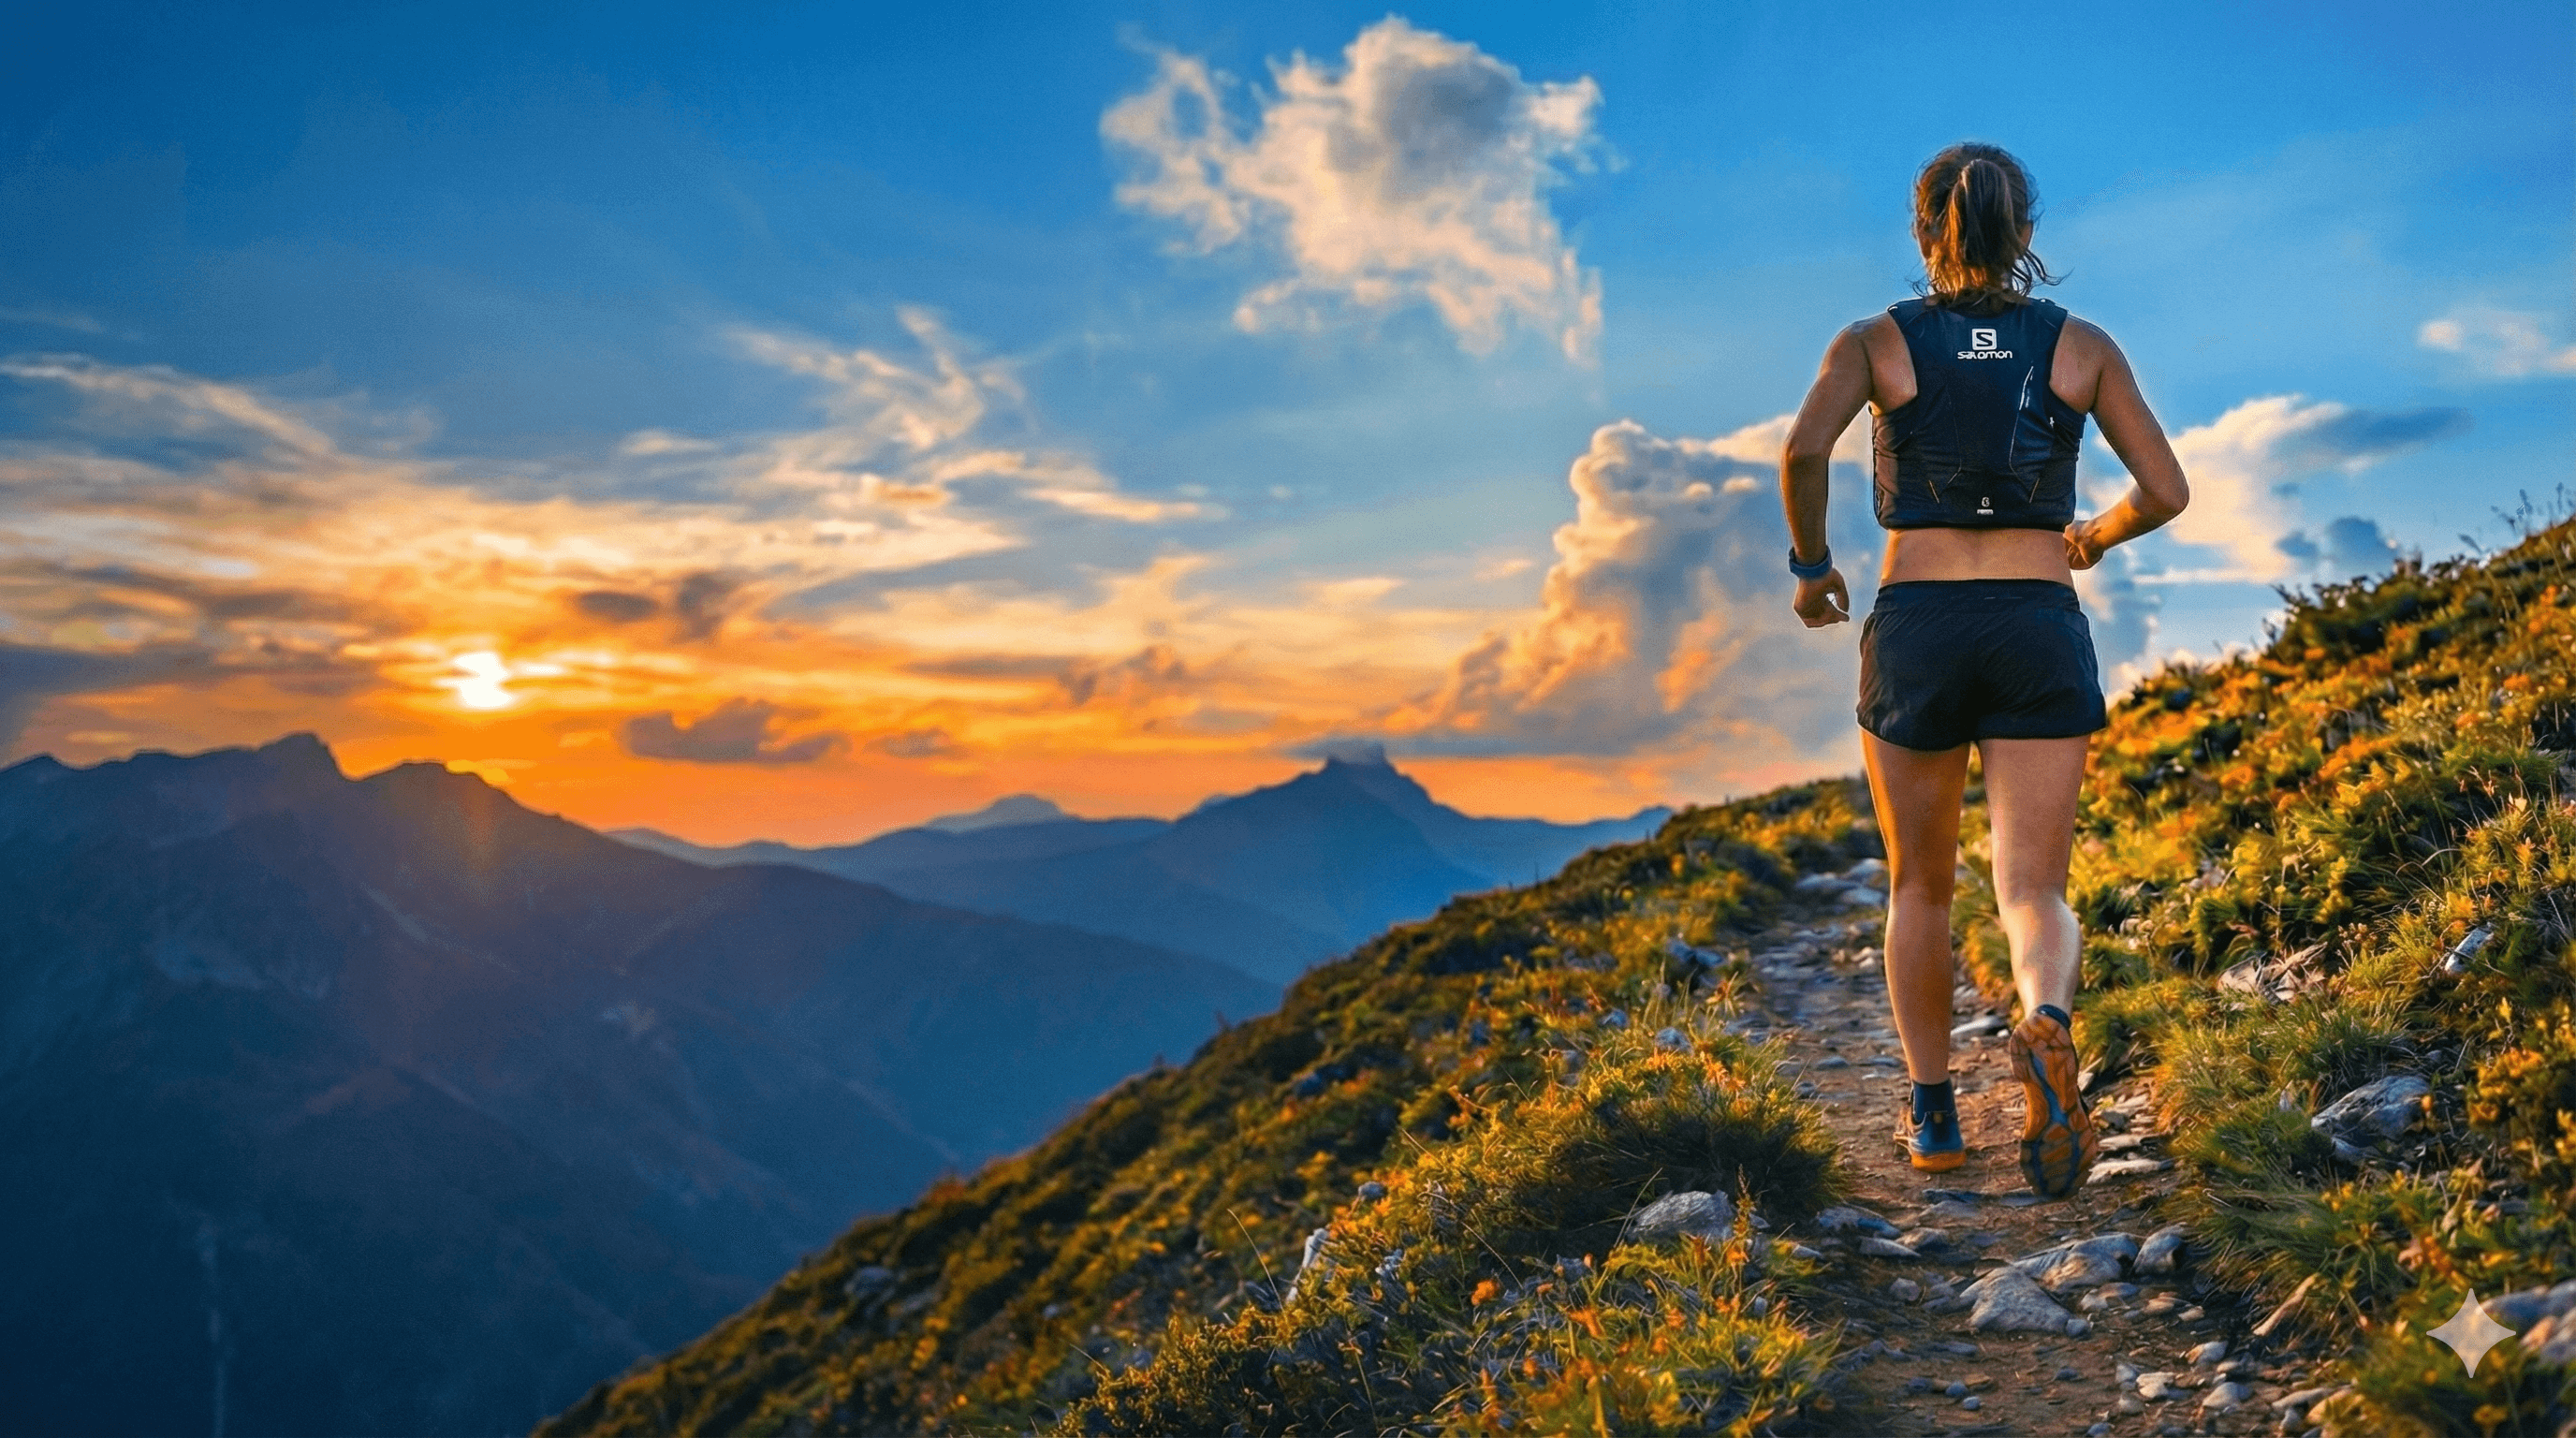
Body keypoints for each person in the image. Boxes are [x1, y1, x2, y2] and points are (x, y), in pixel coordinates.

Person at [1774, 142, 2191, 1199]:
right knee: (2032, 886)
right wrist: (2091, 534)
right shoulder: (2080, 345)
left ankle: (1932, 1118)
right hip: (2035, 617)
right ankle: (2044, 1021)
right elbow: (2167, 491)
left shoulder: (1875, 342)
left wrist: (1813, 568)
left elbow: (1802, 452)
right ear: (2027, 237)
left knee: (1919, 884)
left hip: (1917, 621)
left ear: (1924, 233)